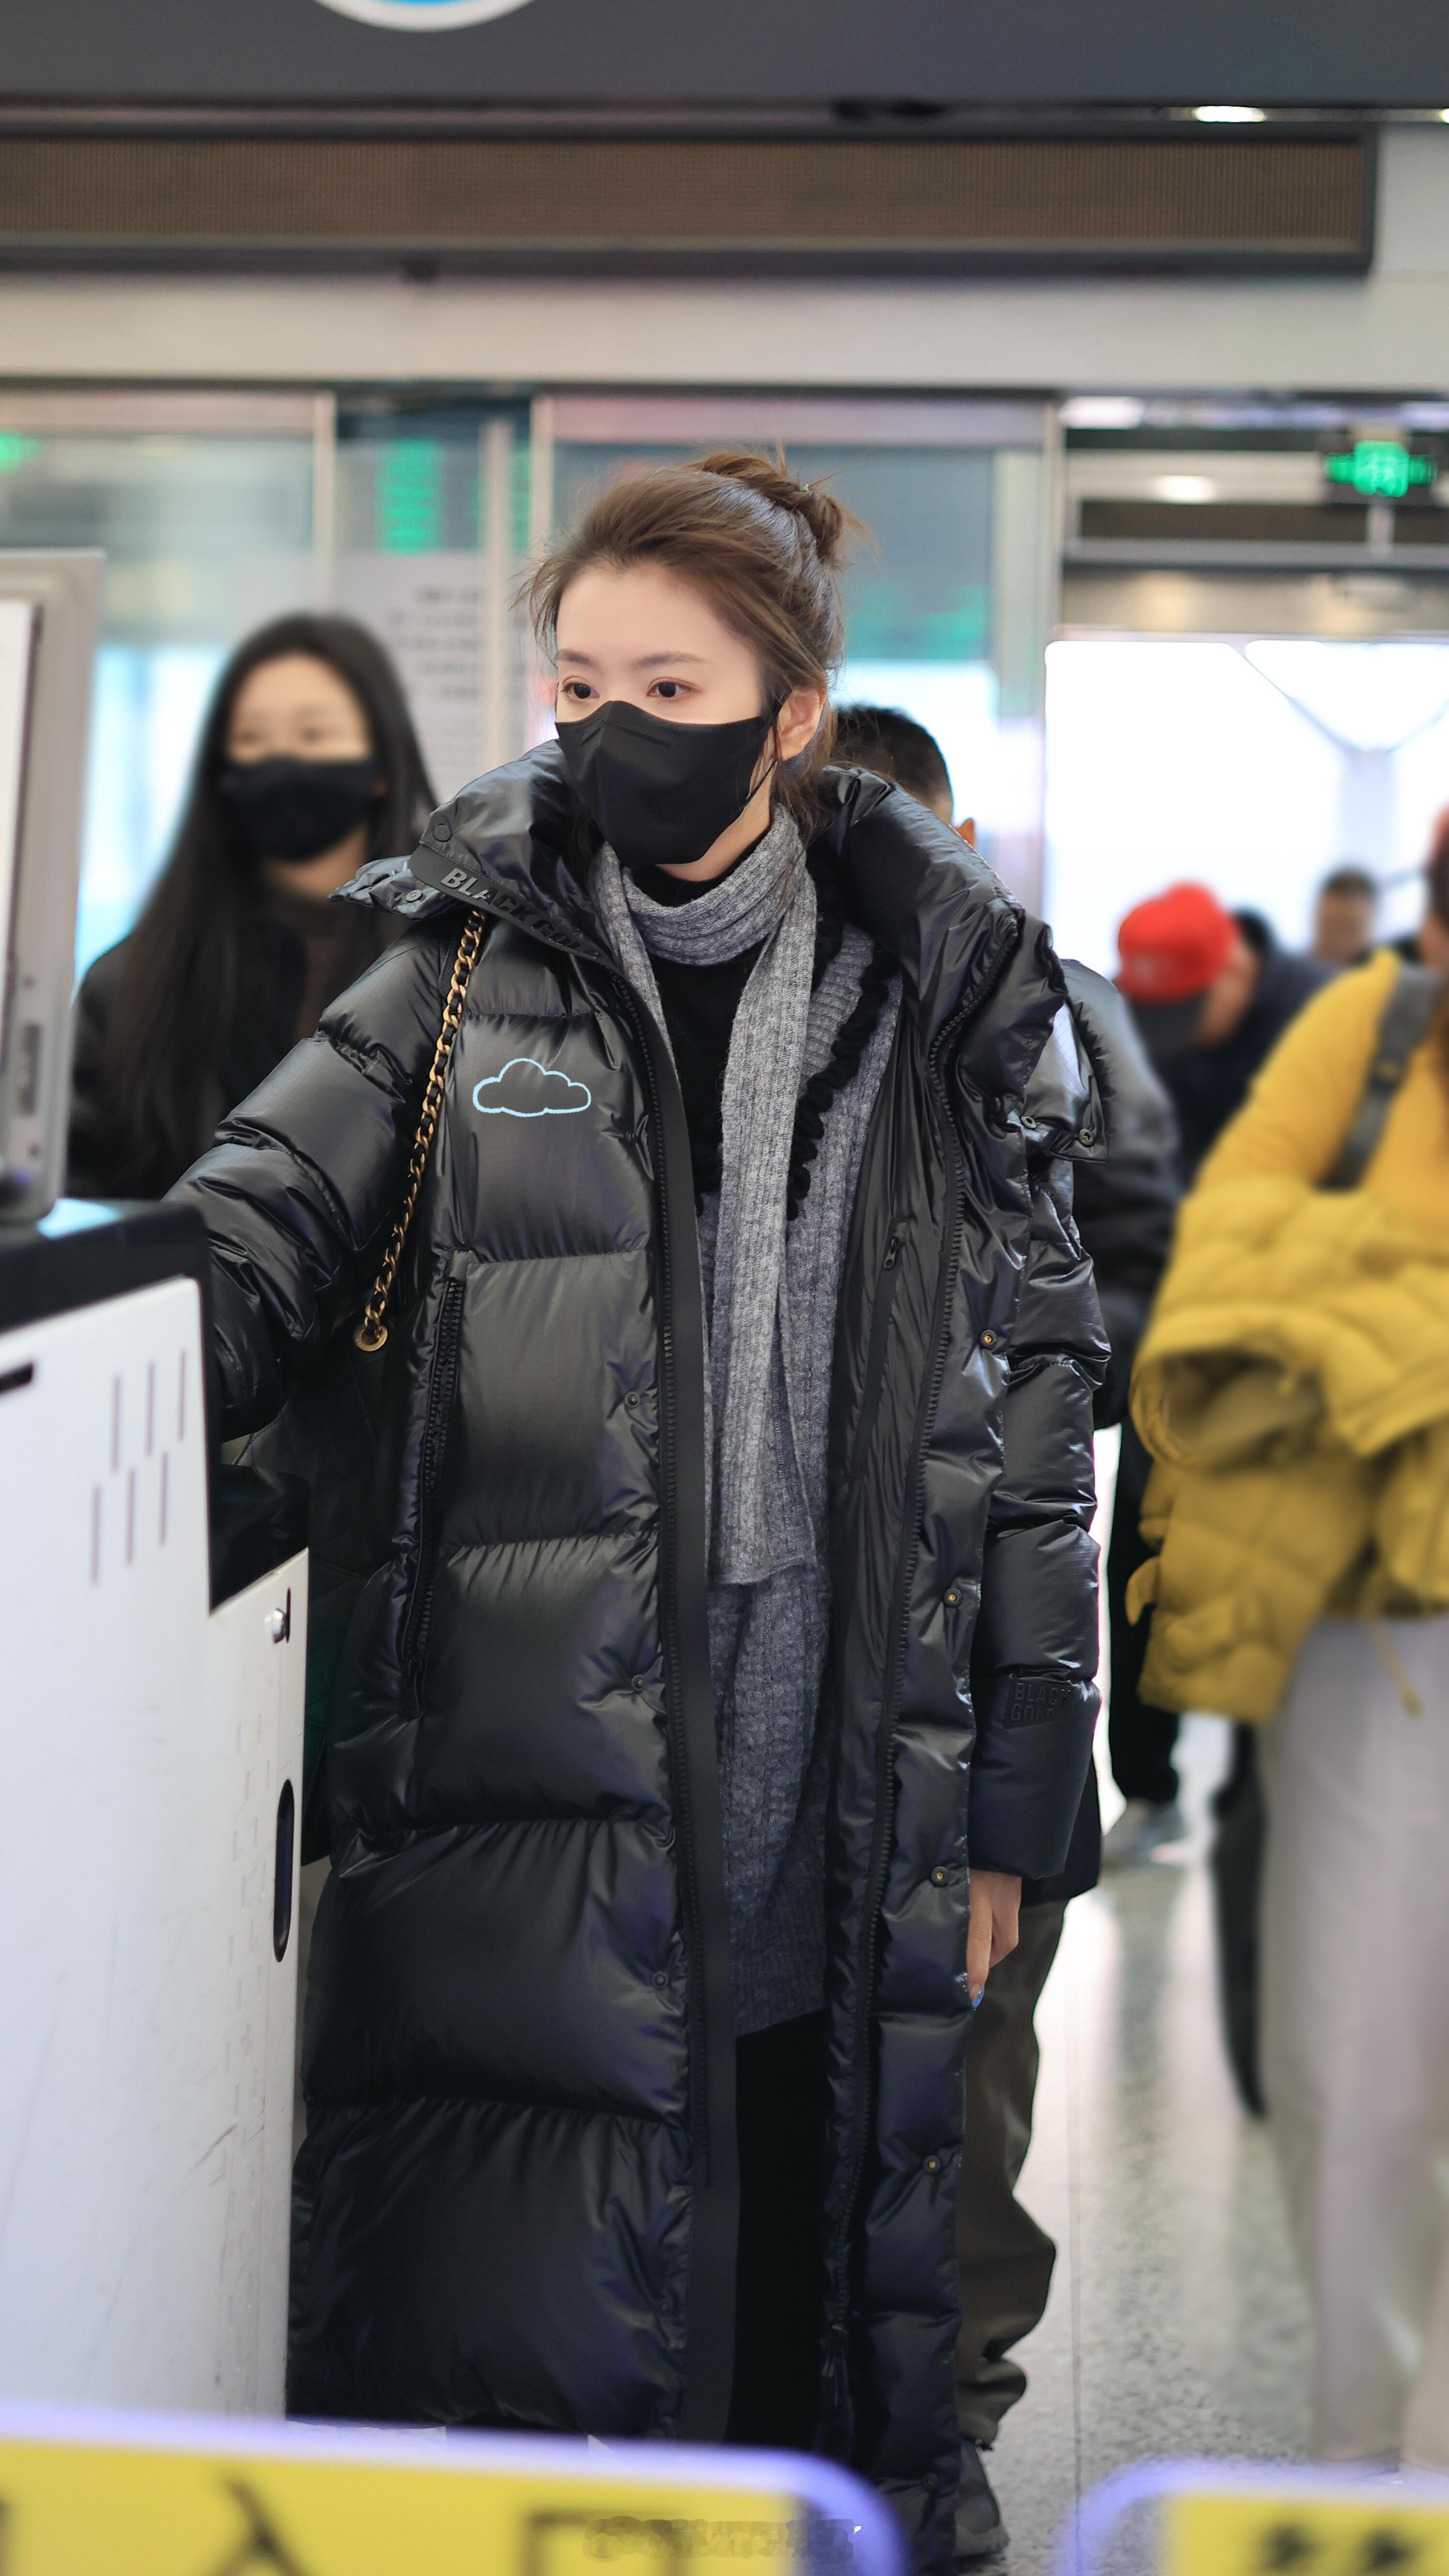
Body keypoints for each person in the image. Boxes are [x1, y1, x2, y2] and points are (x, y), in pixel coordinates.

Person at [170, 452, 1104, 2571]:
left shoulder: (946, 1004)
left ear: (790, 717)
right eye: (578, 682)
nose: (611, 732)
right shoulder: (458, 968)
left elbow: (1037, 1417)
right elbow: (250, 1228)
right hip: (529, 1757)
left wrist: (1016, 1816)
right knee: (538, 2314)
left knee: (805, 2290)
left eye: (669, 687)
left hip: (838, 1758)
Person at [835, 699, 1178, 2553]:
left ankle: (954, 2416)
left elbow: (1123, 1300)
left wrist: (986, 1361)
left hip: (991, 1660)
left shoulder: (1057, 1022)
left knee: (971, 2078)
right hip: (837, 1682)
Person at [1127, 841, 1449, 2467]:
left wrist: (1379, 1309)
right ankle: (1366, 2467)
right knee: (1354, 2075)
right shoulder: (1372, 1031)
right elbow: (1226, 1258)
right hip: (1375, 1633)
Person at [1104, 881, 1328, 1866]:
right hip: (1174, 1333)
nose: (1169, 1038)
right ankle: (1149, 1792)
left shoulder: (1322, 1029)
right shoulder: (1139, 1035)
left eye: (1184, 1013)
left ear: (1233, 971)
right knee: (1142, 1564)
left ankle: (1259, 1798)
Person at [68, 612, 435, 1201]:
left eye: (314, 735)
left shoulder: (456, 964)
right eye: (252, 741)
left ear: (381, 767)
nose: (282, 762)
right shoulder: (129, 987)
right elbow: (77, 1204)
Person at [1311, 864, 1379, 969]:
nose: (1338, 942)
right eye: (1332, 926)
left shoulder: (1389, 976)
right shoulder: (1290, 974)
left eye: (1349, 929)